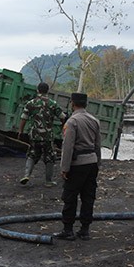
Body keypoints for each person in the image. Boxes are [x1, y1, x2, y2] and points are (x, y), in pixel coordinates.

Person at [55, 92, 101, 241]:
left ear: (72, 104)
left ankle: (68, 230)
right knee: (88, 197)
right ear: (86, 104)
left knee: (70, 196)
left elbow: (67, 147)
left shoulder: (72, 122)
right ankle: (85, 230)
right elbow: (97, 145)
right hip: (91, 163)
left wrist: (64, 168)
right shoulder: (94, 121)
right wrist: (97, 163)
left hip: (77, 164)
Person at [17, 82, 65, 186]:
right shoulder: (53, 104)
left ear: (38, 90)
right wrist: (63, 128)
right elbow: (62, 117)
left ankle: (26, 175)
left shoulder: (31, 103)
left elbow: (23, 118)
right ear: (48, 91)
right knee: (50, 157)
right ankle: (48, 181)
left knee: (32, 154)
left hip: (34, 135)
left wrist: (20, 131)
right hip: (47, 136)